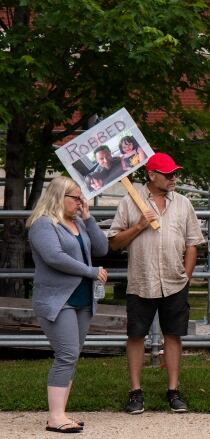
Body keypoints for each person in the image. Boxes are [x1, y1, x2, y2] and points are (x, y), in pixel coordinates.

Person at [108, 152, 205, 414]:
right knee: (136, 335)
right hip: (142, 280)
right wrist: (139, 225)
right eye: (169, 173)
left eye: (175, 172)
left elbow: (192, 242)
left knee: (173, 335)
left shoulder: (184, 203)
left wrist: (185, 276)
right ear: (152, 175)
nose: (174, 178)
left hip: (175, 282)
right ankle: (135, 392)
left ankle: (173, 390)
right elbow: (114, 243)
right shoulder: (130, 203)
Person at [27, 176, 109, 433]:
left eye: (81, 197)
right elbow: (54, 257)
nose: (80, 202)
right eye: (75, 197)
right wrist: (90, 271)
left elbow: (102, 248)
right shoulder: (43, 225)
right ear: (58, 197)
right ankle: (55, 417)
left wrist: (89, 219)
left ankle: (60, 413)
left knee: (71, 356)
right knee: (66, 354)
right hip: (57, 300)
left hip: (82, 299)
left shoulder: (78, 223)